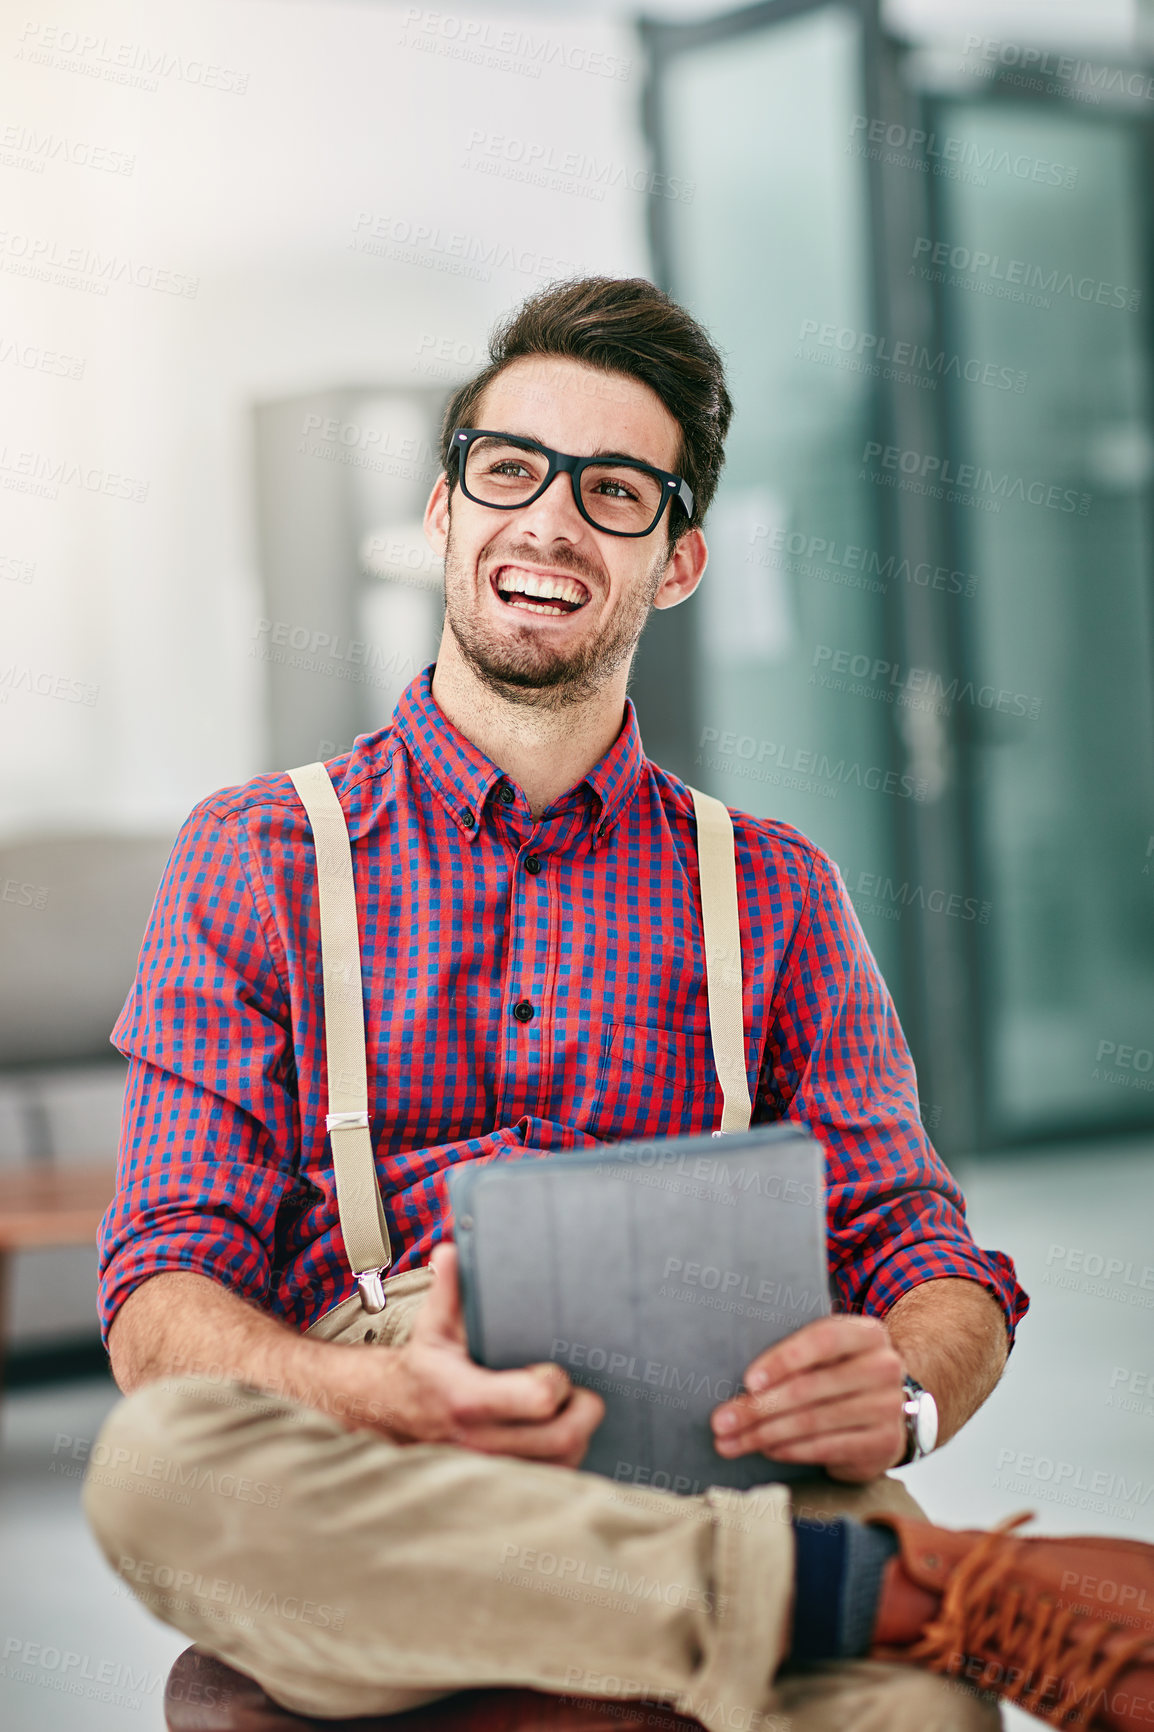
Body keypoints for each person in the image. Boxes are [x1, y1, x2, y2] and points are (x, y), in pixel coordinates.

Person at [84, 278, 1154, 1732]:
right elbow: (160, 1297)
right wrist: (394, 1399)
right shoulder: (256, 852)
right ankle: (905, 1589)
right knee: (163, 1473)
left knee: (919, 1724)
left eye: (614, 492)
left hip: (707, 1425)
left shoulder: (772, 887)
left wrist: (902, 1392)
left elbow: (919, 1241)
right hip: (376, 1432)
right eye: (509, 469)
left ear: (679, 562)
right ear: (443, 512)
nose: (548, 521)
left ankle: (782, 1597)